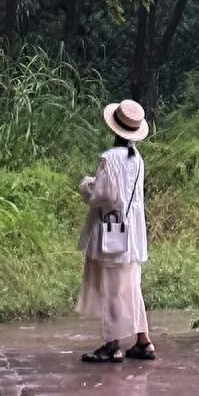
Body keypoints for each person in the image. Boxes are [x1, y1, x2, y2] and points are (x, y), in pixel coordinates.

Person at [76, 97, 156, 363]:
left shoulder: (109, 158)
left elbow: (104, 195)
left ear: (115, 129)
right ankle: (143, 342)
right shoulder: (137, 158)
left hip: (112, 229)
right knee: (131, 286)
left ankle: (112, 345)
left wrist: (86, 185)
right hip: (132, 231)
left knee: (112, 288)